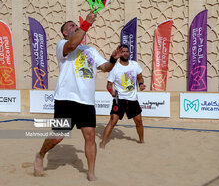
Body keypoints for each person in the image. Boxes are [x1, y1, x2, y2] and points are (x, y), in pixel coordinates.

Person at [33, 11, 121, 181]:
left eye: (76, 25)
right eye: (71, 26)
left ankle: (91, 172)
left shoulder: (90, 50)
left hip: (86, 101)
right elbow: (72, 45)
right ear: (65, 32)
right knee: (58, 136)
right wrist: (86, 24)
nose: (75, 27)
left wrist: (113, 58)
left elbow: (105, 67)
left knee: (89, 136)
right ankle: (41, 153)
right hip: (65, 98)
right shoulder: (62, 44)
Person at [100, 44, 146, 148]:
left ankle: (142, 141)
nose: (125, 53)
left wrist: (141, 84)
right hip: (119, 99)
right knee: (113, 120)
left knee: (139, 121)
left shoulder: (135, 65)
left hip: (132, 98)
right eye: (123, 51)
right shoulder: (114, 68)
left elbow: (140, 77)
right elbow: (109, 84)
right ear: (119, 53)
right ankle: (102, 144)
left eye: (127, 51)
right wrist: (111, 91)